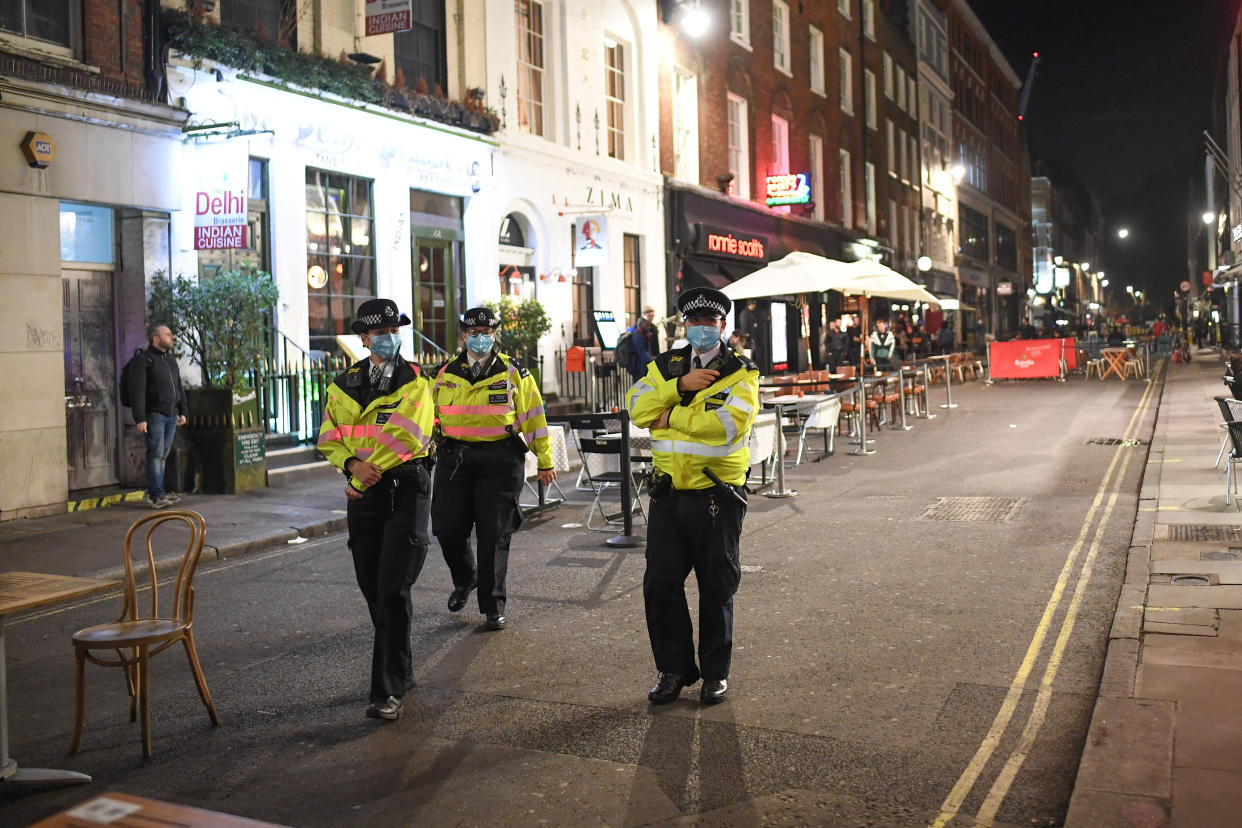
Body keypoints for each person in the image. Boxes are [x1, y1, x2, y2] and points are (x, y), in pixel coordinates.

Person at [625, 287, 760, 706]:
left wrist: (669, 416)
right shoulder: (667, 366)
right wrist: (679, 386)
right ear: (685, 324)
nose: (702, 329)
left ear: (723, 326)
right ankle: (675, 669)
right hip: (668, 495)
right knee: (659, 584)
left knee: (716, 587)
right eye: (695, 322)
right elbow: (636, 407)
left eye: (711, 322)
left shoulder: (740, 371)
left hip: (715, 496)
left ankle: (716, 674)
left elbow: (726, 426)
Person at [316, 299, 436, 722]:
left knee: (391, 588)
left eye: (394, 330)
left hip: (404, 488)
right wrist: (351, 466)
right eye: (381, 332)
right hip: (364, 493)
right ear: (364, 339)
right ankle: (400, 667)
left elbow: (408, 434)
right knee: (372, 586)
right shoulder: (343, 383)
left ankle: (386, 692)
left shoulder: (416, 379)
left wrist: (361, 474)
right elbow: (329, 434)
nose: (390, 337)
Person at [431, 307, 555, 631]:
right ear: (463, 335)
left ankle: (492, 605)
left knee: (494, 535)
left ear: (495, 334)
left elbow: (534, 417)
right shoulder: (443, 374)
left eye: (487, 331)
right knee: (447, 528)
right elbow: (425, 419)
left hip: (500, 461)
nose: (481, 337)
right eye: (474, 332)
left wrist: (545, 460)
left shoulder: (514, 373)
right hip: (454, 460)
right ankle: (465, 578)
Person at [126, 324, 188, 509]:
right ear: (155, 339)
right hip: (154, 415)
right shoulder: (144, 360)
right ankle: (156, 495)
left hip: (171, 414)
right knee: (155, 454)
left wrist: (183, 410)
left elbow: (178, 386)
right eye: (168, 335)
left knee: (163, 454)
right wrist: (140, 418)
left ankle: (159, 491)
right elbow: (137, 391)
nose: (172, 337)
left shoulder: (169, 359)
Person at [625, 314, 656, 381]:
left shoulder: (640, 335)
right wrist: (653, 363)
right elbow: (642, 353)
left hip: (639, 367)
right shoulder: (638, 336)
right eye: (647, 326)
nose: (649, 328)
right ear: (641, 326)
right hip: (638, 368)